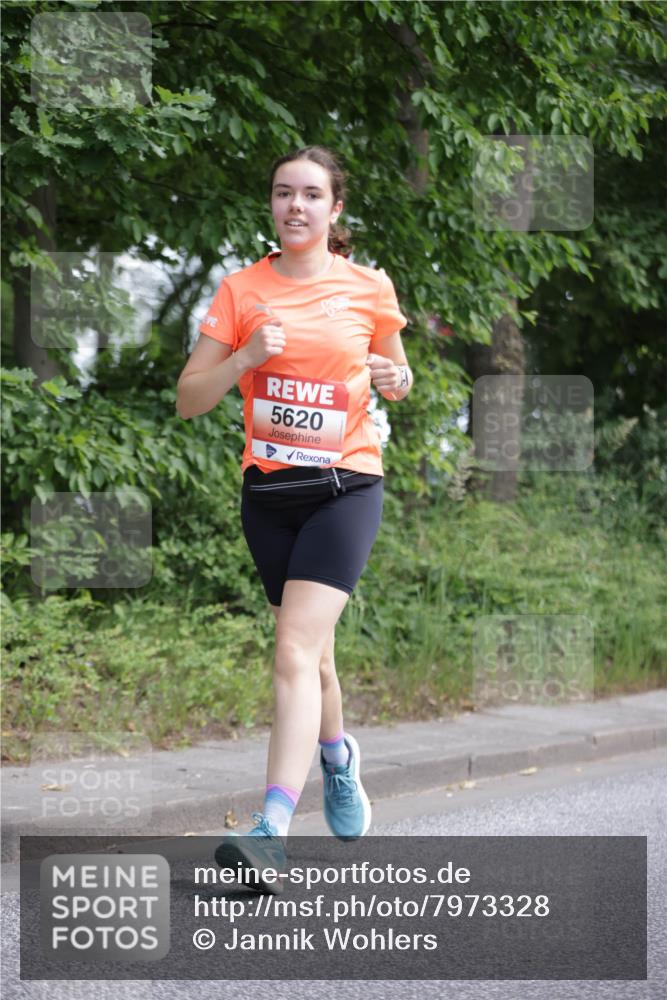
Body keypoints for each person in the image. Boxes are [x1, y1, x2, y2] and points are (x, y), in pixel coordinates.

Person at [176, 145, 412, 893]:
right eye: (284, 193)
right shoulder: (241, 290)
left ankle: (271, 828)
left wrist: (394, 376)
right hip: (268, 496)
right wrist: (244, 357)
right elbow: (189, 400)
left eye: (311, 194)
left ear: (334, 208)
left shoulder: (368, 287)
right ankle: (338, 760)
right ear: (272, 205)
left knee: (291, 649)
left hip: (346, 486)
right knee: (312, 659)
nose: (296, 206)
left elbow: (396, 377)